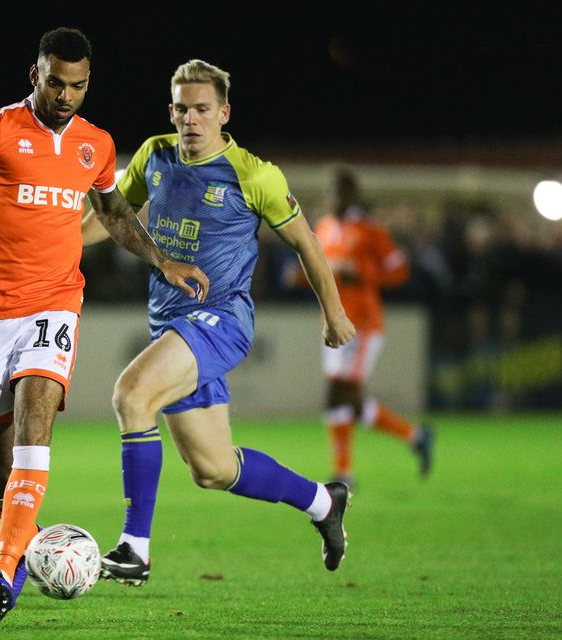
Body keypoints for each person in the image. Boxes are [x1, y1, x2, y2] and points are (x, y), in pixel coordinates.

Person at [0, 28, 208, 627]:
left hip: (54, 303)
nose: (67, 96)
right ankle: (22, 548)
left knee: (39, 406)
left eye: (79, 86)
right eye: (57, 83)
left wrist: (163, 259)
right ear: (34, 75)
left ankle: (2, 566)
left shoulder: (96, 145)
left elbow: (113, 212)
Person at [81, 59, 357, 586]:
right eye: (182, 108)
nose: (191, 119)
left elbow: (306, 242)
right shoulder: (153, 156)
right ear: (171, 110)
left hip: (222, 318)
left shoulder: (255, 175)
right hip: (172, 326)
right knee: (213, 470)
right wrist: (59, 246)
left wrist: (334, 312)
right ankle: (324, 503)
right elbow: (113, 219)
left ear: (223, 113)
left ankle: (134, 548)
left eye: (202, 109)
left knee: (131, 394)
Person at [304, 167, 434, 486]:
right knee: (347, 399)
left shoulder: (370, 231)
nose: (332, 199)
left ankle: (344, 474)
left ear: (351, 195)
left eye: (339, 192)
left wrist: (362, 273)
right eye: (330, 193)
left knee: (339, 394)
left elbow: (400, 270)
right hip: (332, 322)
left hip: (361, 324)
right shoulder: (323, 227)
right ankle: (415, 437)